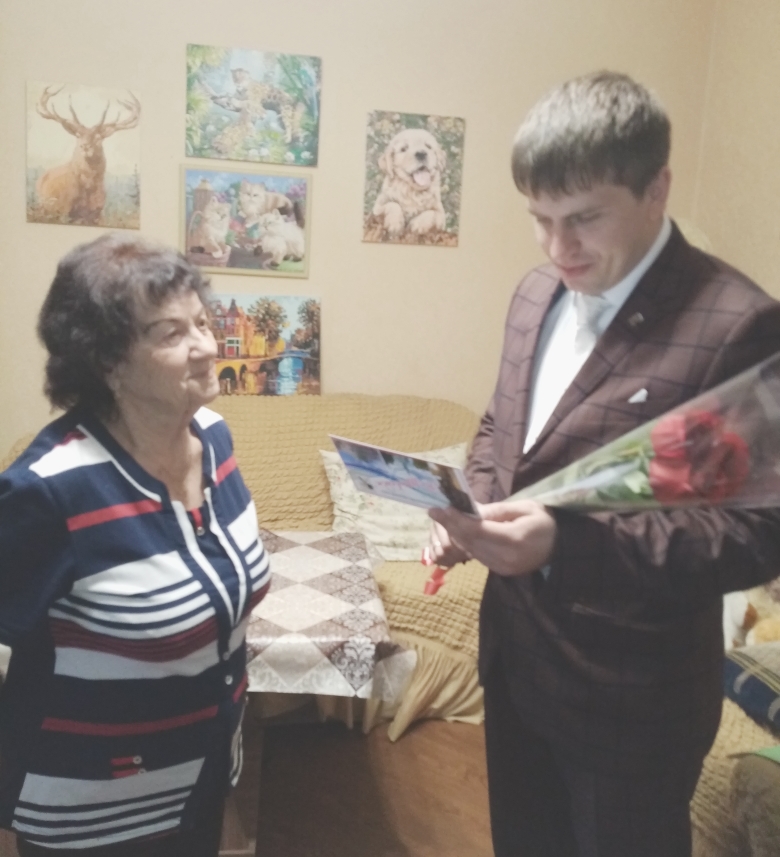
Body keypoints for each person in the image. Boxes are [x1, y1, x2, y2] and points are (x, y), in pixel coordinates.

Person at [428, 71, 780, 857]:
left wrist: (564, 544)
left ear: (657, 189)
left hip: (632, 703)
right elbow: (502, 427)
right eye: (540, 218)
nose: (559, 248)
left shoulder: (737, 324)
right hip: (514, 664)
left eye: (585, 218)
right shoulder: (534, 293)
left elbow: (757, 533)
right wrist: (471, 509)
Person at [0, 234, 271, 855]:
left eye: (202, 322)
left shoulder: (214, 438)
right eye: (171, 333)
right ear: (108, 363)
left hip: (200, 781)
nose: (207, 346)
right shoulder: (51, 490)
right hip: (92, 811)